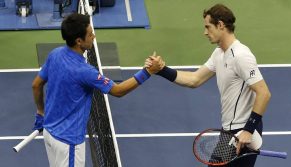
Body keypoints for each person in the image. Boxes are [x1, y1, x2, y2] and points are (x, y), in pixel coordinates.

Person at [146, 4, 271, 167]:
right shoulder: (219, 53)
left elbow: (264, 93)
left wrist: (248, 130)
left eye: (208, 27)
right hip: (229, 132)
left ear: (220, 25)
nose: (205, 32)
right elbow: (194, 79)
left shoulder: (241, 56)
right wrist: (161, 70)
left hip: (242, 133)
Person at [31, 13, 163, 167]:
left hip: (49, 133)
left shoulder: (55, 54)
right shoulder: (85, 71)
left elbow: (36, 85)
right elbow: (118, 90)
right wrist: (147, 72)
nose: (94, 36)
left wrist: (40, 113)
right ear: (79, 41)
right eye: (90, 34)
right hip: (68, 143)